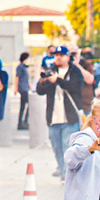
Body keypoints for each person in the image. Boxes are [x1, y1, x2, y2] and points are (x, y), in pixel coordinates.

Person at [36, 45, 85, 178]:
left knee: (68, 148)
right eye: (56, 55)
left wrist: (57, 80)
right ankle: (63, 171)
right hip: (53, 118)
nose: (58, 57)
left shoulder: (74, 71)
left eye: (61, 55)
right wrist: (42, 81)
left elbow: (75, 87)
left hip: (69, 118)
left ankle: (67, 175)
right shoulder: (50, 70)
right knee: (57, 148)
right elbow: (39, 91)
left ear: (68, 57)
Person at [14, 52, 31, 130]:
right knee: (28, 105)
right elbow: (17, 77)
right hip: (22, 88)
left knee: (23, 105)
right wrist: (16, 88)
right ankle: (23, 121)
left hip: (25, 87)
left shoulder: (24, 67)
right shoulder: (20, 67)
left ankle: (21, 122)